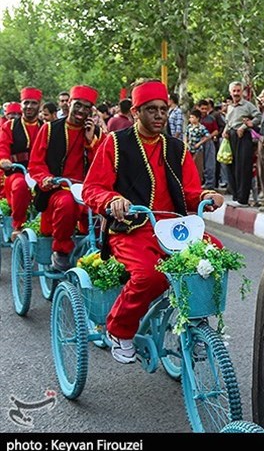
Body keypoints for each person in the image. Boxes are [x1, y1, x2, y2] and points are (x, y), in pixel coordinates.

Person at [82, 80, 223, 364]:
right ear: (136, 112)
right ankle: (119, 329)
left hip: (175, 228)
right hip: (132, 229)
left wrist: (207, 196)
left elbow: (190, 192)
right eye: (151, 110)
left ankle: (196, 323)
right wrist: (111, 201)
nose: (159, 115)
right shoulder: (115, 142)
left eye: (162, 109)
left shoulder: (176, 147)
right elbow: (92, 189)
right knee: (150, 275)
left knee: (215, 256)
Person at [28, 85, 103, 271]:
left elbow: (102, 166)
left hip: (87, 190)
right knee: (67, 203)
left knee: (105, 209)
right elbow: (36, 164)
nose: (81, 111)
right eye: (78, 105)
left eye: (87, 107)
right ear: (69, 103)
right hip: (57, 189)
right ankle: (60, 250)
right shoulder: (49, 129)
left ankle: (100, 252)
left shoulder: (96, 134)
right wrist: (46, 178)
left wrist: (90, 141)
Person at [0, 87, 43, 239]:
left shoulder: (46, 127)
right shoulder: (9, 126)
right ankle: (18, 225)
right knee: (20, 186)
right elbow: (2, 146)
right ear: (21, 104)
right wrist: (4, 160)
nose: (29, 106)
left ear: (39, 105)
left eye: (33, 103)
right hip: (17, 171)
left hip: (41, 173)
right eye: (26, 103)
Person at [222, 81, 259, 207]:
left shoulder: (248, 105)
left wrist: (244, 126)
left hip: (243, 136)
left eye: (238, 90)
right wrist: (225, 131)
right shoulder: (230, 107)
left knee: (243, 167)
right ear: (230, 92)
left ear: (242, 91)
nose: (236, 93)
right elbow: (228, 122)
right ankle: (236, 195)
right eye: (234, 91)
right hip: (231, 136)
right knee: (231, 167)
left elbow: (258, 117)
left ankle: (243, 199)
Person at [198, 99, 223, 189]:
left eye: (206, 109)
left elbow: (216, 130)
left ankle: (209, 184)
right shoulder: (196, 118)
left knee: (210, 164)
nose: (204, 111)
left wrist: (209, 136)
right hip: (197, 143)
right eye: (202, 108)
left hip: (208, 142)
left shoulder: (211, 118)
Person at [185, 109, 212, 179]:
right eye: (190, 117)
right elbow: (186, 135)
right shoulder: (189, 127)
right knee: (189, 166)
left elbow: (208, 136)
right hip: (190, 149)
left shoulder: (201, 127)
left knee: (198, 167)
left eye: (192, 117)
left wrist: (200, 143)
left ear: (197, 118)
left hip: (198, 150)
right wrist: (185, 143)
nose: (191, 119)